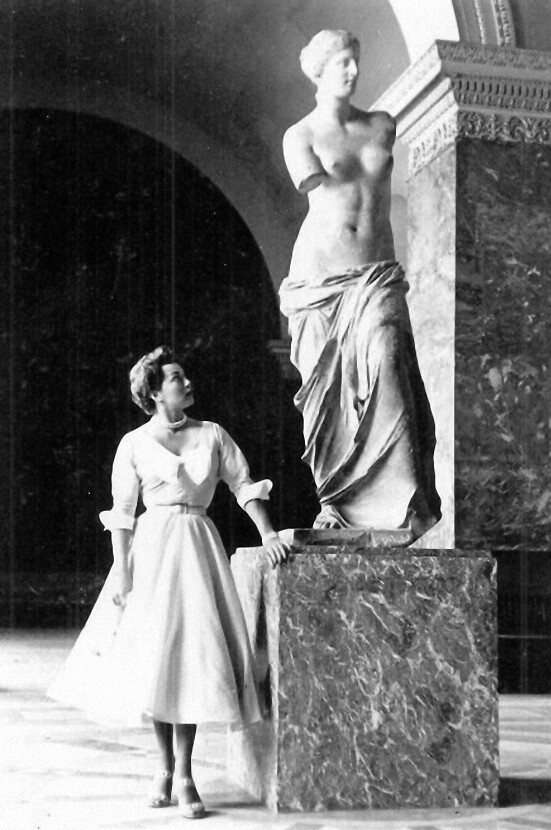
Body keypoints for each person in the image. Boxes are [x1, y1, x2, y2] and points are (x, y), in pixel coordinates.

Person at [49, 345, 289, 819]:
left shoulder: (212, 434)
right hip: (153, 551)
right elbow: (122, 514)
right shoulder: (134, 444)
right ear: (156, 392)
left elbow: (243, 485)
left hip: (198, 549)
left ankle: (185, 774)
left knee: (194, 660)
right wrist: (123, 572)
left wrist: (268, 534)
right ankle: (163, 768)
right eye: (176, 378)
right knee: (158, 659)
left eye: (184, 375)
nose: (187, 382)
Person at [280, 29, 441, 537]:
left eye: (355, 60)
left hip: (376, 274)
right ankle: (338, 503)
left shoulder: (382, 125)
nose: (352, 71)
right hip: (321, 279)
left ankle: (402, 505)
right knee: (330, 398)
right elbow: (315, 188)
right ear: (319, 71)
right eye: (342, 63)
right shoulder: (300, 135)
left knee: (389, 360)